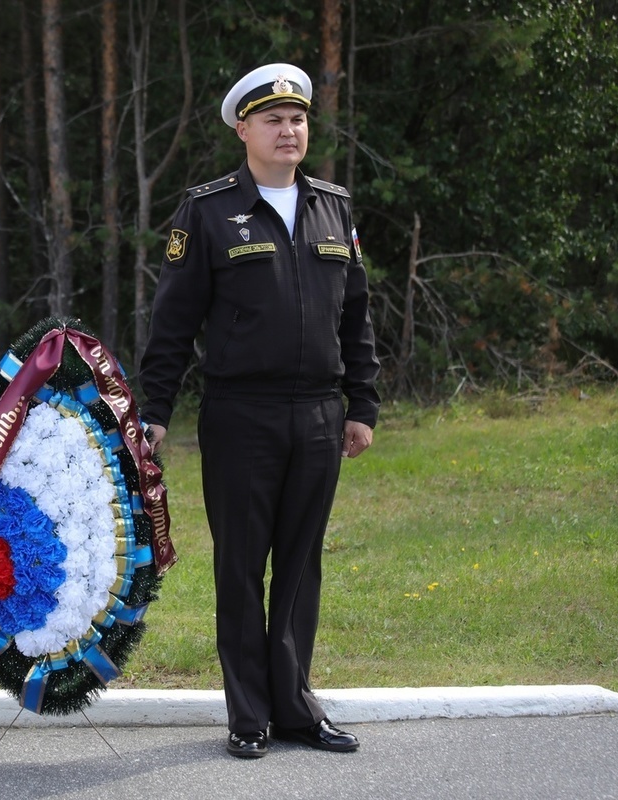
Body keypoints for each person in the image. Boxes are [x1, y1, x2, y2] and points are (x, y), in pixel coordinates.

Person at [139, 63, 380, 759]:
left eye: (298, 118)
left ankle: (296, 707)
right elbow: (173, 321)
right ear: (243, 129)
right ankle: (249, 715)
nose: (289, 130)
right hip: (240, 414)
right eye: (273, 120)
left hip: (317, 415)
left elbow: (356, 317)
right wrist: (155, 406)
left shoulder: (333, 206)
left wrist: (360, 403)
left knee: (302, 565)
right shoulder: (209, 210)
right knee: (242, 566)